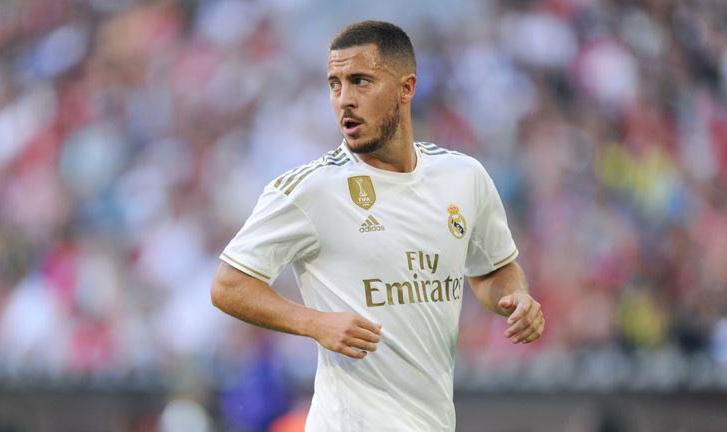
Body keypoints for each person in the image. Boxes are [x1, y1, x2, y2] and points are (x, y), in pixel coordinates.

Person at [211, 20, 545, 431]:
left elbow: (492, 270)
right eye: (335, 84)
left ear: (406, 88)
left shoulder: (464, 176)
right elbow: (228, 284)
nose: (343, 100)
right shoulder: (309, 189)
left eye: (360, 81)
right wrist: (314, 323)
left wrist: (518, 300)